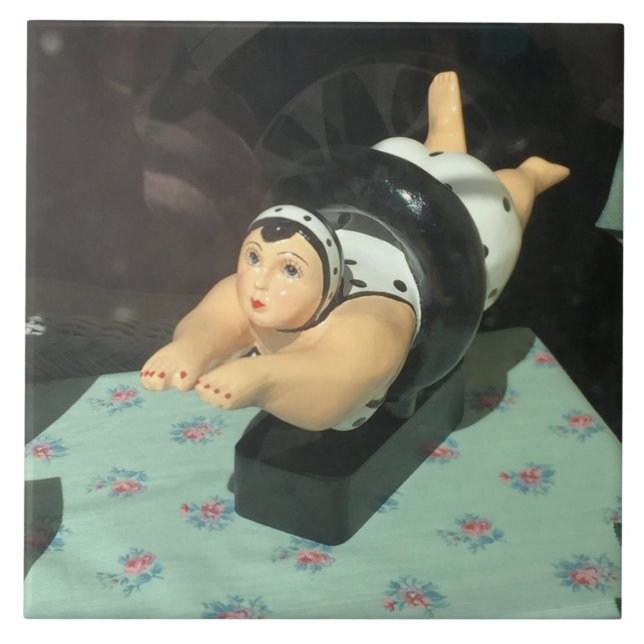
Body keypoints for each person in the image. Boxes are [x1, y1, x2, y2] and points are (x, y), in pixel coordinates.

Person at [140, 71, 569, 431]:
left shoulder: (368, 316)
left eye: (289, 270)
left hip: (461, 233)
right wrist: (195, 345)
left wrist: (265, 377)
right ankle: (444, 134)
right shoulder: (258, 291)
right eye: (254, 258)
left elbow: (340, 375)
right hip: (382, 195)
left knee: (499, 193)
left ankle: (530, 173)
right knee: (411, 155)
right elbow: (219, 312)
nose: (260, 283)